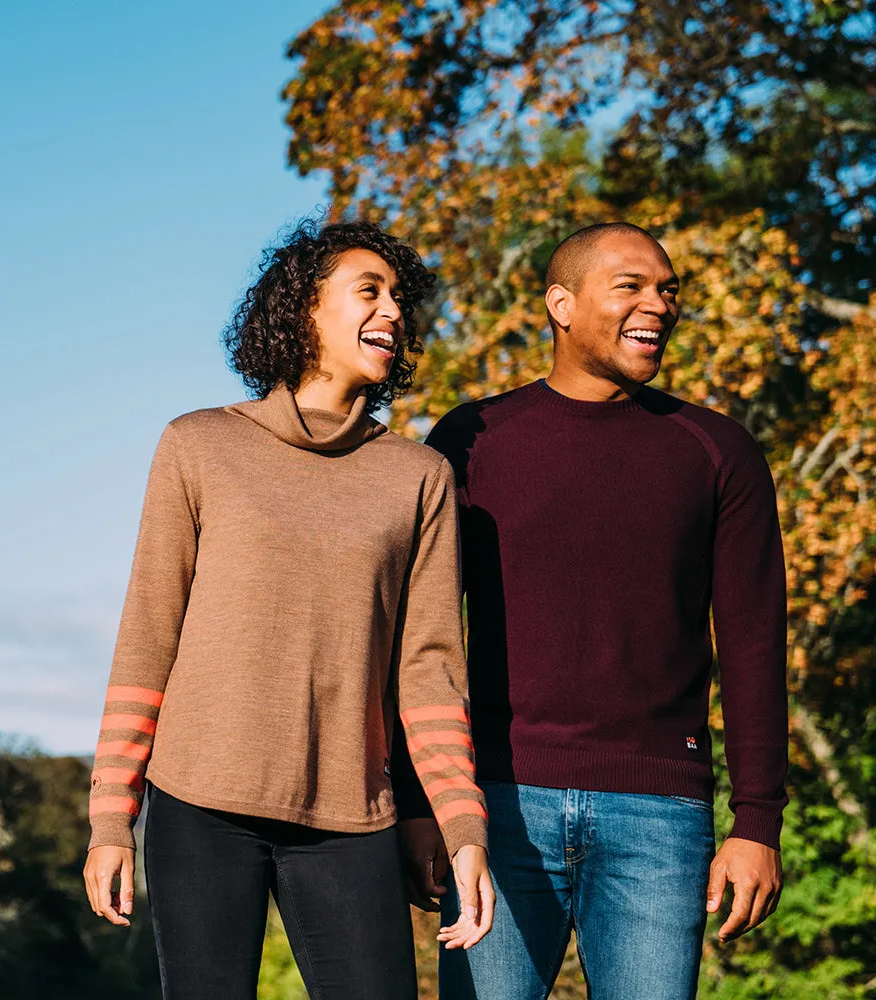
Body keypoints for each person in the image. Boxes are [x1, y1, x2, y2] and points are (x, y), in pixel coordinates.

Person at [82, 219, 494, 1000]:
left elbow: (431, 673)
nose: (395, 312)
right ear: (304, 309)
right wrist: (111, 815)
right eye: (369, 291)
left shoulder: (418, 476)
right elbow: (146, 639)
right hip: (198, 805)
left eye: (400, 297)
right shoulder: (199, 446)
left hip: (351, 816)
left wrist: (459, 825)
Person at [395, 222, 788, 999]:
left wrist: (756, 824)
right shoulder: (470, 442)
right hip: (494, 807)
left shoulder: (719, 452)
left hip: (661, 816)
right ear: (561, 305)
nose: (659, 305)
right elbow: (418, 641)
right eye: (632, 286)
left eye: (668, 289)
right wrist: (417, 804)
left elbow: (752, 649)